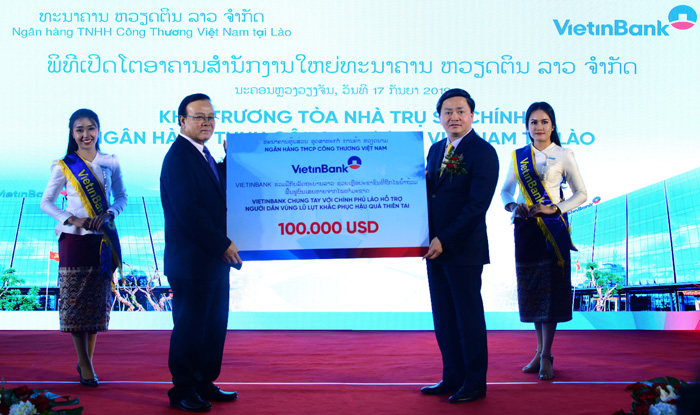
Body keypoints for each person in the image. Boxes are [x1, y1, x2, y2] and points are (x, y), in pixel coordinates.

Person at [160, 93, 242, 412]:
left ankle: (204, 382)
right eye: (199, 117)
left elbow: (217, 191)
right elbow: (189, 211)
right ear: (182, 121)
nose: (207, 122)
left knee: (213, 327)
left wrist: (230, 159)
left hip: (212, 262)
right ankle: (183, 390)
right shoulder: (179, 157)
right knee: (191, 328)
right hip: (192, 263)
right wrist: (222, 245)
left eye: (210, 117)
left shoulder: (203, 154)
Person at [420, 88, 499, 403]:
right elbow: (429, 196)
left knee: (468, 318)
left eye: (460, 111)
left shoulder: (483, 152)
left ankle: (475, 383)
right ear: (439, 117)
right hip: (433, 250)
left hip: (463, 249)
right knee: (443, 318)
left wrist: (445, 238)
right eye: (447, 112)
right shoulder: (436, 149)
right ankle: (451, 376)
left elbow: (477, 206)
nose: (454, 117)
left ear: (472, 115)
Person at [500, 102, 587, 381]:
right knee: (533, 291)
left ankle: (547, 354)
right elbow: (505, 191)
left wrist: (554, 208)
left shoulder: (563, 154)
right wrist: (512, 206)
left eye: (544, 122)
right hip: (526, 228)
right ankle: (538, 352)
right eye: (534, 122)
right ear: (527, 127)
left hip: (552, 230)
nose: (539, 127)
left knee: (551, 291)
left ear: (553, 125)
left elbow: (581, 194)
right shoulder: (518, 156)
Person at [40, 108, 127, 387]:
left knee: (96, 302)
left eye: (91, 128)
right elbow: (46, 203)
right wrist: (72, 218)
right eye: (79, 129)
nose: (86, 134)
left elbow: (122, 197)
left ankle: (86, 362)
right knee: (77, 301)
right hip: (74, 240)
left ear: (99, 130)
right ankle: (86, 364)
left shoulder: (110, 161)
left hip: (101, 238)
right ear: (72, 133)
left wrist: (110, 213)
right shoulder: (64, 165)